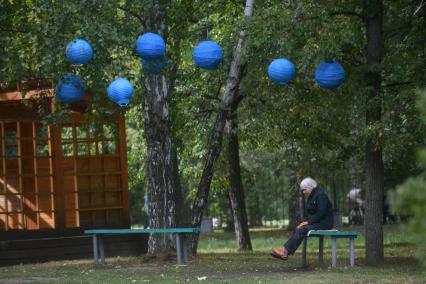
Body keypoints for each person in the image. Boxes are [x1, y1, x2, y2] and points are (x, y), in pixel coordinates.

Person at [271, 177, 333, 260]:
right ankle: (285, 252)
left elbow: (321, 213)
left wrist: (308, 222)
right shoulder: (312, 196)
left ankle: (285, 251)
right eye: (302, 190)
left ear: (311, 186)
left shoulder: (320, 195)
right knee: (300, 228)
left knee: (302, 229)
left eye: (304, 190)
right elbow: (311, 213)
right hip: (317, 222)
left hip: (324, 224)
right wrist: (305, 221)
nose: (303, 192)